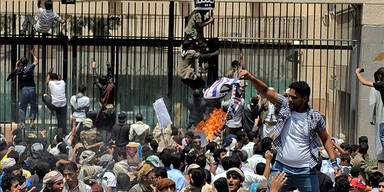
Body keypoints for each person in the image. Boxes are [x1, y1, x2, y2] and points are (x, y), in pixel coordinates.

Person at [238, 70, 338, 192]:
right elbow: (265, 91)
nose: (290, 99)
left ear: (305, 98)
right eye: (289, 96)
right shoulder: (285, 105)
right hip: (282, 168)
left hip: (306, 170)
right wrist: (251, 78)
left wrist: (334, 162)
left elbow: (326, 138)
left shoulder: (315, 117)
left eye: (294, 97)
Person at [8, 48, 38, 129]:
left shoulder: (18, 70)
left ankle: (23, 122)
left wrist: (16, 65)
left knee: (22, 107)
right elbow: (36, 62)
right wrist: (33, 54)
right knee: (33, 106)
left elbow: (14, 72)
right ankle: (32, 121)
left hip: (24, 90)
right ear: (27, 62)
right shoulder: (29, 68)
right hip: (32, 89)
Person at [90, 60, 116, 135]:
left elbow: (95, 79)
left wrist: (93, 68)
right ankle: (109, 144)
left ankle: (100, 142)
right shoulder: (111, 86)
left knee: (100, 127)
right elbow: (110, 76)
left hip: (103, 109)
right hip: (111, 109)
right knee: (110, 129)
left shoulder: (101, 87)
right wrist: (109, 67)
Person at [43, 68, 67, 139]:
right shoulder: (63, 82)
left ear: (51, 79)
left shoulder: (51, 83)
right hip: (63, 105)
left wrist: (49, 73)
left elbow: (47, 81)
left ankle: (51, 110)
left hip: (54, 105)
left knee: (44, 96)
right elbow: (60, 78)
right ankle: (60, 136)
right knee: (60, 122)